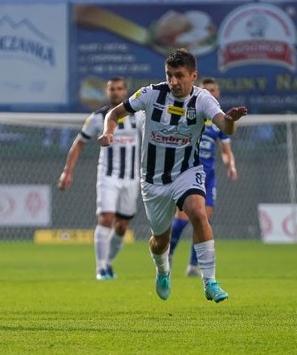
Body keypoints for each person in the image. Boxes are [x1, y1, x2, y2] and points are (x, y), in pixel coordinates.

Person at [98, 49, 248, 303]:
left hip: (187, 171)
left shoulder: (203, 99)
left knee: (198, 212)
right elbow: (114, 114)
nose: (174, 82)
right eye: (169, 75)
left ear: (193, 75)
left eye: (179, 76)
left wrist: (231, 121)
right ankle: (162, 270)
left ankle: (209, 281)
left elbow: (224, 125)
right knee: (160, 241)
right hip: (153, 180)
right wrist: (108, 132)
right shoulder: (150, 94)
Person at [58, 77, 142, 280]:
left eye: (119, 88)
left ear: (125, 91)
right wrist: (67, 171)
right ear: (107, 92)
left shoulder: (139, 116)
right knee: (105, 218)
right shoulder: (97, 117)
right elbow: (79, 143)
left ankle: (108, 262)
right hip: (108, 176)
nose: (116, 92)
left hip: (132, 178)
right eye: (112, 89)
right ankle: (100, 268)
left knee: (122, 226)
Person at [168, 77, 238, 277]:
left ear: (217, 93)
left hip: (208, 178)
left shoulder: (219, 120)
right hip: (187, 173)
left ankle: (192, 266)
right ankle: (169, 253)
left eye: (213, 89)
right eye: (205, 89)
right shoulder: (189, 113)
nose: (209, 92)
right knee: (182, 219)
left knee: (202, 220)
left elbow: (225, 150)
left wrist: (230, 165)